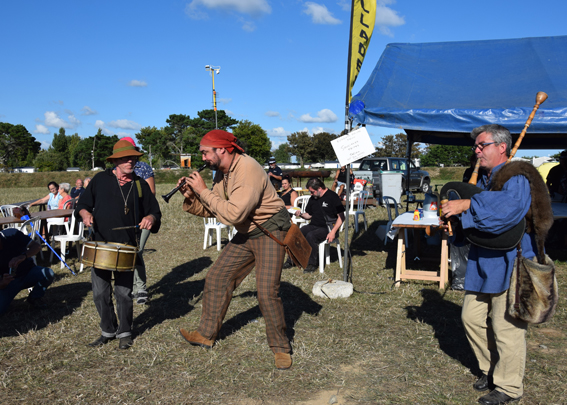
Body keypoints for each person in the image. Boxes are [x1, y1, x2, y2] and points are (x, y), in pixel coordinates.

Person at [176, 129, 293, 370]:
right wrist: (192, 196)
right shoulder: (222, 173)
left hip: (271, 229)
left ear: (222, 149)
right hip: (247, 230)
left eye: (206, 152)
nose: (203, 158)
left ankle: (281, 348)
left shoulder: (247, 168)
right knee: (217, 277)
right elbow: (213, 209)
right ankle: (206, 335)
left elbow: (232, 214)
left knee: (266, 291)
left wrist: (202, 190)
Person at [441, 124, 536, 405]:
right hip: (483, 259)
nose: (477, 151)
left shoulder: (515, 176)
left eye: (482, 145)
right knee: (471, 317)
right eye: (476, 146)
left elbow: (507, 210)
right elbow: (474, 226)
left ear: (501, 147)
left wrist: (467, 205)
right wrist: (454, 228)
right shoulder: (483, 180)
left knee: (505, 325)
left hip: (511, 258)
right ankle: (491, 369)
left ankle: (509, 388)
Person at [76, 139, 161, 350]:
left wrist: (150, 218)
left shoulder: (140, 185)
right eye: (125, 158)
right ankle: (107, 330)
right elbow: (83, 205)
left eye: (133, 157)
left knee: (123, 293)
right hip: (100, 246)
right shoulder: (100, 180)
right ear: (115, 161)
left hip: (126, 246)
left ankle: (125, 331)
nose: (130, 161)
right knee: (99, 293)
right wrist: (85, 214)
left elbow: (155, 211)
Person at [283, 177, 345, 273]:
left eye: (312, 192)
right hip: (314, 225)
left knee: (311, 236)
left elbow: (341, 217)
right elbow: (309, 215)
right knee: (297, 232)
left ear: (319, 188)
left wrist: (333, 232)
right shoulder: (313, 198)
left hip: (328, 227)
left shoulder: (333, 197)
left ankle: (312, 264)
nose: (311, 194)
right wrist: (301, 214)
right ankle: (292, 260)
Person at [121, 136, 156, 305]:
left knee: (137, 251)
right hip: (123, 219)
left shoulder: (144, 168)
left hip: (143, 219)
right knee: (126, 251)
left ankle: (140, 287)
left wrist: (147, 215)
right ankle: (129, 287)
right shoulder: (116, 170)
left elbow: (151, 194)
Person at [0, 228, 55, 316]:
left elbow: (37, 246)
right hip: (9, 283)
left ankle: (35, 297)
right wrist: (3, 283)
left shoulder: (12, 233)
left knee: (48, 273)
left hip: (28, 273)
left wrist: (23, 256)